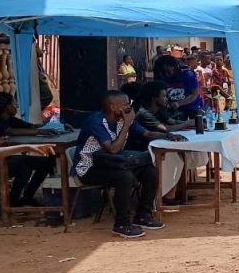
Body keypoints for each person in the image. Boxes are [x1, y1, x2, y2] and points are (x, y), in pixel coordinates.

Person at [73, 91, 185, 238]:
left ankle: (143, 215)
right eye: (125, 104)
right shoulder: (96, 121)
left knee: (150, 171)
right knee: (125, 177)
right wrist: (126, 124)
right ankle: (121, 224)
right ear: (113, 107)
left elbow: (147, 134)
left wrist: (168, 136)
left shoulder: (123, 119)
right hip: (89, 167)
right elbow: (113, 149)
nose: (129, 107)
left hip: (113, 163)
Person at [0, 93, 59, 206]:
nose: (16, 106)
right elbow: (10, 131)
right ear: (7, 107)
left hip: (6, 158)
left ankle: (27, 197)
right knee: (23, 167)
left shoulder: (9, 119)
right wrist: (39, 132)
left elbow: (31, 126)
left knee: (47, 163)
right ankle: (13, 202)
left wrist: (58, 126)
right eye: (14, 104)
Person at [156, 55, 202, 120]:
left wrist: (179, 103)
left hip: (192, 107)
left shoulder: (187, 74)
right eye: (164, 72)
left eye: (168, 71)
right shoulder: (162, 76)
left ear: (173, 66)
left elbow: (194, 94)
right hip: (175, 110)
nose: (167, 74)